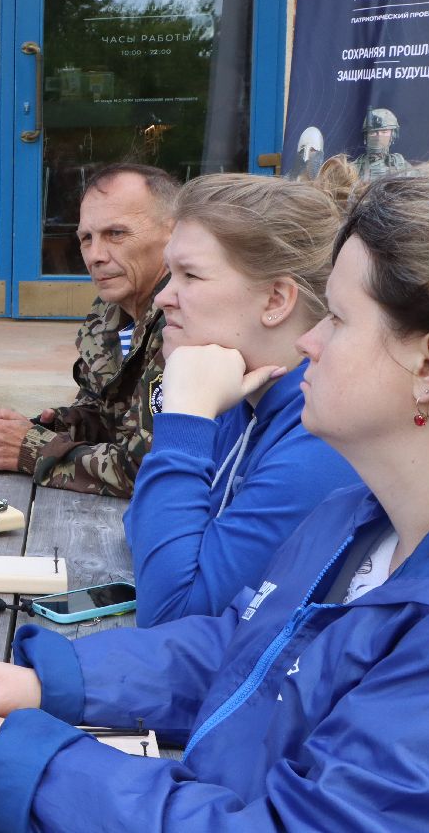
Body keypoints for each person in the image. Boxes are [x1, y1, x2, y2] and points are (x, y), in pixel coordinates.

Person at [0, 165, 429, 831]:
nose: (310, 341)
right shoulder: (365, 518)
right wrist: (54, 679)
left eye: (338, 319)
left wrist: (32, 768)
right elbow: (253, 645)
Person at [126, 174, 359, 625]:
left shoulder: (322, 437)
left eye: (190, 275)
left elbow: (171, 615)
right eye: (170, 274)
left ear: (276, 299)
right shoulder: (244, 393)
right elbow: (140, 524)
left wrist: (186, 418)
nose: (162, 298)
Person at [0, 164, 176, 497]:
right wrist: (54, 426)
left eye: (116, 234)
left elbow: (151, 469)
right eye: (86, 238)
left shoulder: (184, 321)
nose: (94, 256)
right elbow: (112, 417)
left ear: (174, 233)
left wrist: (32, 449)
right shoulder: (111, 310)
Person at [352, 106, 409, 180]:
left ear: (393, 135)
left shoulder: (401, 166)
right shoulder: (354, 168)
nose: (378, 137)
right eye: (372, 132)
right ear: (366, 136)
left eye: (384, 132)